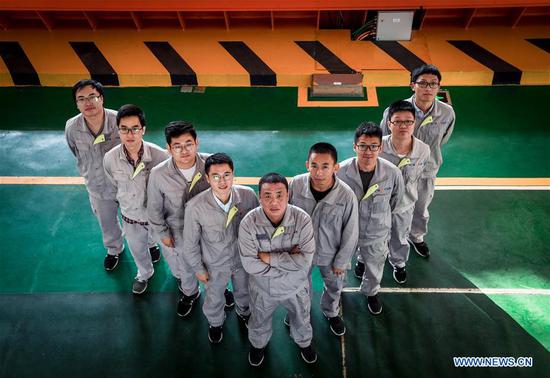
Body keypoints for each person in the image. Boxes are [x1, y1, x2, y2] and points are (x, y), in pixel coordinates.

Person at [147, 121, 235, 316]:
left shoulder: (211, 166)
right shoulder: (158, 174)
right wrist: (163, 233)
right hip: (179, 234)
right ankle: (190, 293)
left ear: (197, 143)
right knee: (186, 269)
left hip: (211, 232)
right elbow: (153, 208)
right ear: (168, 149)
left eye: (188, 144)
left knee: (216, 265)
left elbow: (226, 193)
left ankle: (221, 289)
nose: (184, 150)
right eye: (177, 146)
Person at [239, 173, 317, 366]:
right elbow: (250, 264)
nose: (274, 201)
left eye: (279, 194)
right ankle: (258, 345)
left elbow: (306, 260)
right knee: (259, 321)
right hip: (263, 290)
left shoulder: (302, 219)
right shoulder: (248, 223)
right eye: (267, 195)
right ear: (259, 197)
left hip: (296, 288)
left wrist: (268, 258)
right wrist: (289, 261)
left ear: (288, 195)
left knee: (301, 318)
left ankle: (304, 342)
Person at [380, 64, 455, 258]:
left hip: (427, 169)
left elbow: (443, 139)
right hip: (398, 170)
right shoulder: (394, 111)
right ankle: (388, 240)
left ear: (439, 87)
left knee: (421, 207)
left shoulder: (446, 113)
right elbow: (385, 140)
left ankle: (416, 236)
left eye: (433, 84)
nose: (428, 88)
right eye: (422, 83)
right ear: (413, 85)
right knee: (392, 208)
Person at [183, 153, 259, 344]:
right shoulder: (195, 207)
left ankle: (244, 313)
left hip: (242, 261)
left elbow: (259, 228)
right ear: (207, 178)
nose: (222, 181)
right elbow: (190, 243)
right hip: (214, 265)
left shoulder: (248, 196)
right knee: (214, 297)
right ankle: (215, 323)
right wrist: (199, 270)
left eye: (227, 174)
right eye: (215, 176)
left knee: (244, 292)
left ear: (234, 174)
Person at [288, 142, 358, 336]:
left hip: (331, 253)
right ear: (307, 165)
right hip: (300, 251)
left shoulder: (346, 195)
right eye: (314, 166)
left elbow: (351, 231)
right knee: (298, 285)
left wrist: (342, 261)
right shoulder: (295, 184)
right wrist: (287, 246)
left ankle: (331, 311)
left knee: (335, 286)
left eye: (325, 166)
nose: (319, 172)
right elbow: (285, 217)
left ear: (336, 167)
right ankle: (299, 311)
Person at [336, 123, 403, 315]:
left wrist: (380, 220)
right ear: (354, 146)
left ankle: (371, 293)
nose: (368, 151)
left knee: (375, 267)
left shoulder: (392, 173)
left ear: (381, 148)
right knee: (339, 266)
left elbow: (396, 201)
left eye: (373, 146)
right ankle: (336, 291)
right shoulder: (340, 172)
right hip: (345, 232)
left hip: (376, 231)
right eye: (363, 145)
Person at [103, 104, 168, 294]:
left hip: (157, 217)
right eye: (124, 129)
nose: (129, 134)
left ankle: (181, 277)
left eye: (135, 129)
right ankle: (144, 273)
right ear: (118, 130)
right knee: (137, 249)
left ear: (143, 130)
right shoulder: (110, 158)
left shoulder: (159, 156)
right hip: (130, 216)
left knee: (170, 250)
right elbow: (114, 184)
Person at [65, 79, 129, 271]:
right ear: (76, 104)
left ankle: (150, 245)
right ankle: (114, 250)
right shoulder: (72, 128)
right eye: (81, 99)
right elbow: (75, 151)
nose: (88, 102)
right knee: (106, 221)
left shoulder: (119, 121)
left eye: (92, 96)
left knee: (138, 218)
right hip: (97, 186)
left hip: (126, 184)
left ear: (101, 98)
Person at [380, 101, 430, 284]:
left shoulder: (423, 150)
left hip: (405, 204)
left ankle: (398, 263)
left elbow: (419, 176)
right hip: (379, 205)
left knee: (400, 236)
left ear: (414, 123)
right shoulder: (378, 148)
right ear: (389, 123)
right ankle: (363, 260)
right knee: (372, 235)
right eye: (397, 121)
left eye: (408, 121)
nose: (403, 126)